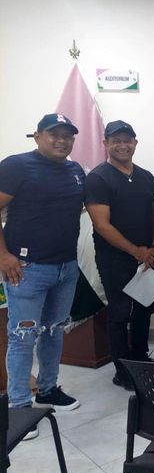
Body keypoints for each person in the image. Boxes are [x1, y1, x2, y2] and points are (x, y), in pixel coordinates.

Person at [0, 114, 84, 437]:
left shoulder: (75, 171)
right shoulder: (16, 166)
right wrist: (3, 256)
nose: (61, 140)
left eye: (67, 135)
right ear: (37, 136)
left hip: (66, 267)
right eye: (54, 134)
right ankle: (19, 406)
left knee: (54, 331)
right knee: (23, 337)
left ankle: (48, 389)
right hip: (27, 270)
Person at [85, 120, 154, 390]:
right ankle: (122, 371)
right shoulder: (98, 178)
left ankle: (141, 358)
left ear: (135, 143)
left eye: (127, 140)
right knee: (119, 313)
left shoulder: (146, 176)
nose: (122, 145)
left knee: (144, 308)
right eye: (116, 140)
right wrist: (136, 251)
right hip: (115, 259)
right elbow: (102, 225)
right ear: (105, 143)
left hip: (148, 256)